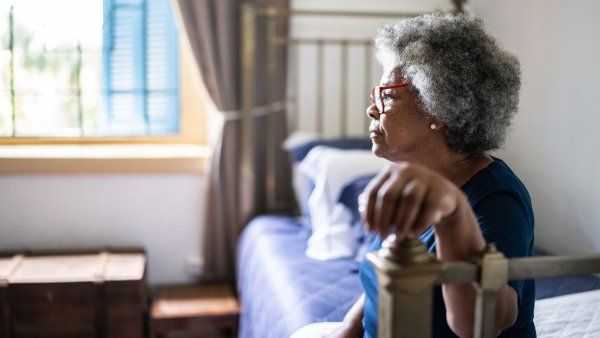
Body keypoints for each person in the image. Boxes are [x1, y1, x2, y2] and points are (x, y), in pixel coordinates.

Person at [292, 12, 535, 338]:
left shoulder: (497, 198)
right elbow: (383, 278)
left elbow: (482, 324)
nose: (372, 108)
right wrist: (347, 331)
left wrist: (453, 212)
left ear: (440, 108)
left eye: (389, 95)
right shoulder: (403, 180)